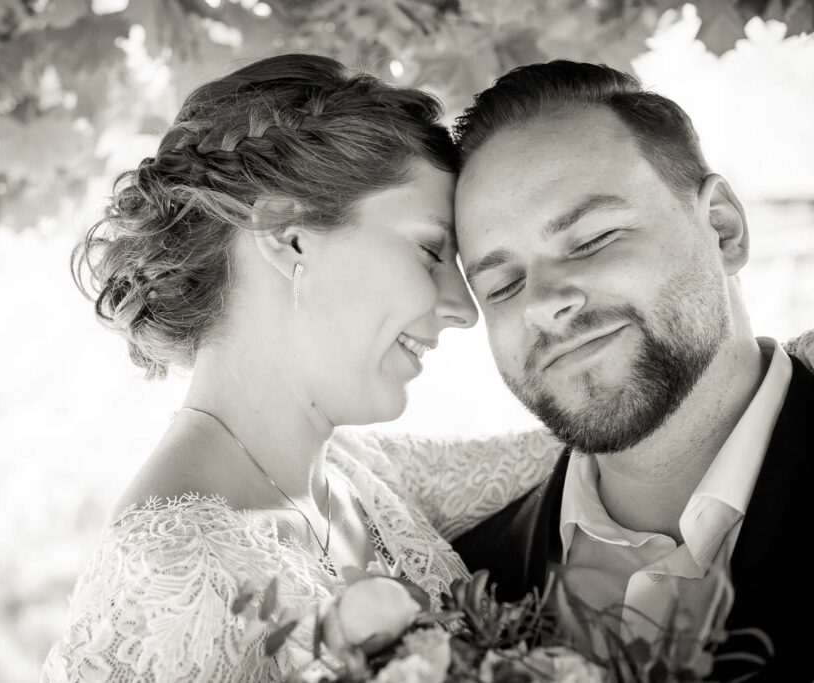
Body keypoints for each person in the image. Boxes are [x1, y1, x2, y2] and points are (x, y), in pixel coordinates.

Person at [41, 54, 564, 682]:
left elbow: (604, 437)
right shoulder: (171, 575)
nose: (464, 308)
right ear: (287, 235)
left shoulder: (365, 475)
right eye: (430, 250)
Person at [449, 59, 814, 681]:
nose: (542, 304)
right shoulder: (460, 586)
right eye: (502, 284)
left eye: (592, 240)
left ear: (722, 228)